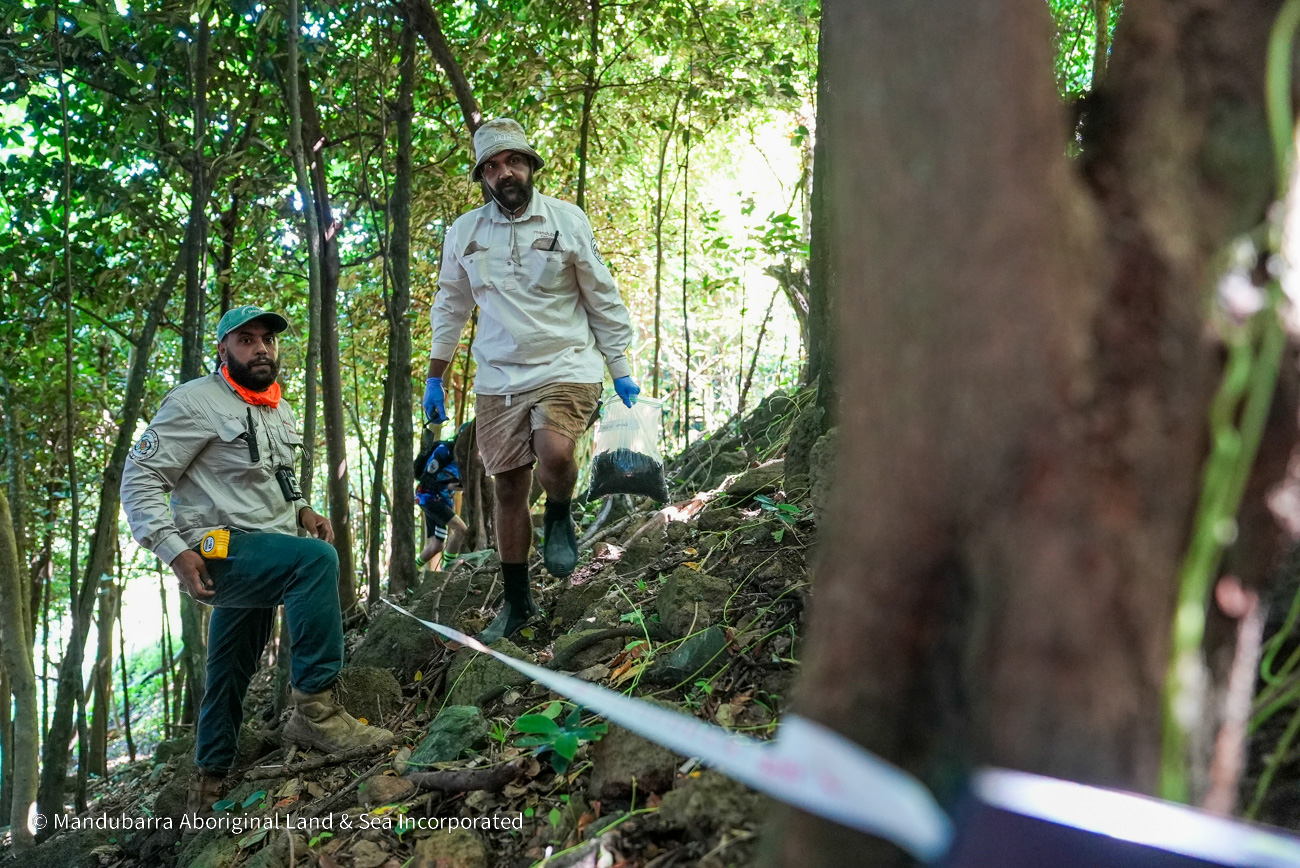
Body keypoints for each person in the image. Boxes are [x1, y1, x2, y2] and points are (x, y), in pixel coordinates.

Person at [120, 305, 392, 816]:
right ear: (222, 349)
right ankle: (316, 709)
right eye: (246, 339)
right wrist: (173, 551)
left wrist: (304, 510)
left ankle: (209, 776)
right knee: (316, 562)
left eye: (267, 338)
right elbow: (140, 480)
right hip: (216, 547)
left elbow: (276, 480)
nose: (261, 347)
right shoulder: (194, 402)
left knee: (228, 669)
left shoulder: (276, 407)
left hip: (266, 547)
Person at [424, 118, 640, 644]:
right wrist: (436, 375)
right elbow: (451, 304)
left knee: (556, 452)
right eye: (493, 168)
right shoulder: (464, 233)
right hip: (498, 376)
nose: (505, 174)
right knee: (509, 489)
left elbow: (600, 294)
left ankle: (561, 512)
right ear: (483, 179)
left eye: (513, 162)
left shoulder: (567, 220)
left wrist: (620, 367)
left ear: (531, 166)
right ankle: (518, 602)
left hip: (567, 362)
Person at [415, 422, 468, 568]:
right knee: (461, 529)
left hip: (441, 500)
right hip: (429, 497)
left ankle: (412, 571)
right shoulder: (444, 451)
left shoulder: (465, 458)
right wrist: (446, 485)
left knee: (436, 545)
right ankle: (447, 571)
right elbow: (426, 479)